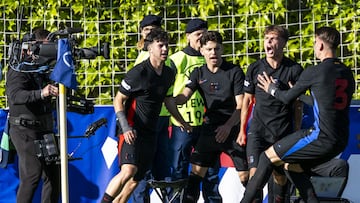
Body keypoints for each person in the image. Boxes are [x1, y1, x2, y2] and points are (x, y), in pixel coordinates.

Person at [241, 26, 355, 203]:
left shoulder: (314, 72)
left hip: (319, 137)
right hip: (340, 140)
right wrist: (299, 93)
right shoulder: (347, 73)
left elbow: (286, 98)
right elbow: (318, 102)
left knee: (267, 157)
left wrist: (272, 89)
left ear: (321, 46)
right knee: (292, 166)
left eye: (315, 42)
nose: (314, 46)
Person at [101, 29, 190, 203]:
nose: (165, 49)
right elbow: (118, 100)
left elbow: (168, 100)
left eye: (167, 45)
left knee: (135, 181)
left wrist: (182, 121)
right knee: (128, 171)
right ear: (150, 48)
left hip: (151, 132)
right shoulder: (138, 73)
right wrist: (126, 128)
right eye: (160, 45)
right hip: (132, 130)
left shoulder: (169, 73)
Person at [174, 30, 248, 202]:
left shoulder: (234, 71)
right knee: (195, 177)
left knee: (247, 179)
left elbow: (241, 106)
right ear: (202, 51)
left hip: (232, 130)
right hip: (209, 130)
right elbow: (183, 97)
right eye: (209, 49)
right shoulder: (198, 73)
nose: (213, 53)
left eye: (217, 49)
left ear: (222, 50)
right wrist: (165, 98)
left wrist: (228, 126)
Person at [237, 25, 303, 203]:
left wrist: (296, 129)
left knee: (280, 178)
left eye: (273, 39)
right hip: (258, 131)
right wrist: (242, 130)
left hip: (282, 132)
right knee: (255, 176)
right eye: (266, 38)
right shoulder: (255, 68)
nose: (269, 42)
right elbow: (247, 101)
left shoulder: (294, 69)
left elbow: (298, 104)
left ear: (283, 43)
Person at [168, 18, 222, 202]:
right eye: (198, 35)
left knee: (211, 172)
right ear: (188, 36)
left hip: (207, 124)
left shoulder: (211, 57)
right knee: (179, 171)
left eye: (205, 35)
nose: (202, 39)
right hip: (182, 124)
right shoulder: (176, 59)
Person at [6, 28, 61, 203]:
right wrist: (41, 93)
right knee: (32, 175)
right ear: (32, 47)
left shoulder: (43, 69)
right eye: (46, 47)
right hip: (24, 129)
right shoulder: (19, 68)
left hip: (44, 128)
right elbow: (15, 96)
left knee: (54, 177)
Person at [127, 14, 174, 203]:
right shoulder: (144, 61)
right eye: (147, 30)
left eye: (155, 30)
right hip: (144, 122)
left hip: (161, 119)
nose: (151, 33)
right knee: (143, 171)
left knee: (161, 169)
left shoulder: (165, 60)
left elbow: (169, 93)